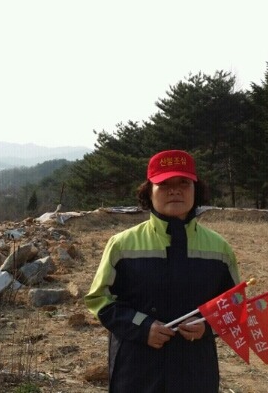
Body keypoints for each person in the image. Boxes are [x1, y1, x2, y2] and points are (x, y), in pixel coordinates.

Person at [85, 149, 240, 392]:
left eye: (184, 183)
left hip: (195, 369)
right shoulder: (122, 245)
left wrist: (206, 326)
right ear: (149, 192)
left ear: (196, 190)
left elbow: (234, 304)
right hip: (136, 368)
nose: (175, 190)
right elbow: (100, 300)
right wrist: (142, 326)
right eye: (164, 184)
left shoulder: (219, 248)